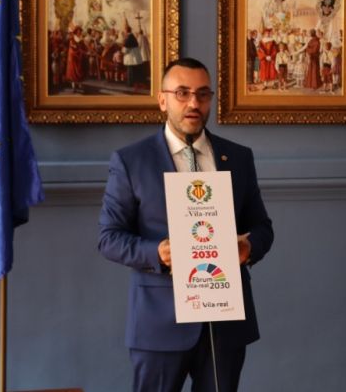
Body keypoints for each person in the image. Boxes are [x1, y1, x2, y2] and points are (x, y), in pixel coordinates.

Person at [98, 58, 274, 392]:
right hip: (160, 321)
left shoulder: (238, 157)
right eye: (182, 93)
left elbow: (263, 226)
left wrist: (249, 247)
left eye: (203, 94)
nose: (194, 103)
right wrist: (158, 253)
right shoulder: (131, 160)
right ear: (162, 100)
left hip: (224, 323)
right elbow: (109, 238)